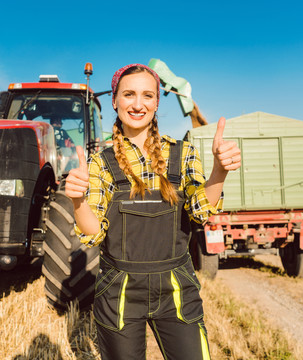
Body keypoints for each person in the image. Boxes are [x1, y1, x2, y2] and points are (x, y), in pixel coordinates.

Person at [65, 64, 241, 360]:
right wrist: (78, 201)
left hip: (176, 288)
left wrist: (219, 172)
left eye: (147, 95)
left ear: (157, 103)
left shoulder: (183, 154)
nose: (137, 104)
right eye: (129, 94)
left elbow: (200, 212)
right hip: (119, 290)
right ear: (115, 101)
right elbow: (93, 236)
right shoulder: (100, 163)